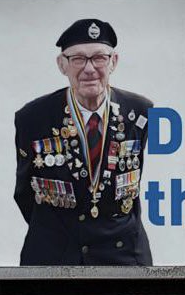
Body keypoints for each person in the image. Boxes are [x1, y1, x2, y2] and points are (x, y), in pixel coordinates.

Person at [14, 19, 153, 265]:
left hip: (122, 254)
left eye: (99, 58)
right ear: (62, 64)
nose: (89, 69)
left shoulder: (141, 112)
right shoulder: (33, 117)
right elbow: (24, 193)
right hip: (55, 255)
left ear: (113, 62)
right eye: (78, 59)